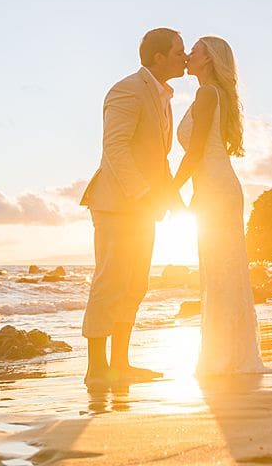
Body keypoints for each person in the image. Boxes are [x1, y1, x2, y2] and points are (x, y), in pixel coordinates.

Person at [80, 27, 187, 388]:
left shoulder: (163, 96)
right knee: (110, 280)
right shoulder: (127, 89)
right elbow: (115, 147)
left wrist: (169, 195)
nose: (184, 58)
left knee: (135, 283)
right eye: (178, 52)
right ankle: (96, 370)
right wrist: (142, 193)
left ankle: (121, 364)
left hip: (144, 206)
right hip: (116, 203)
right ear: (158, 57)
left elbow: (157, 156)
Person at [174, 35, 265, 375]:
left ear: (208, 59)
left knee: (221, 270)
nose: (186, 57)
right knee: (220, 269)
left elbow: (196, 150)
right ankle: (228, 355)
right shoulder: (214, 93)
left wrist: (170, 188)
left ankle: (227, 358)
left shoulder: (206, 93)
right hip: (216, 184)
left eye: (193, 52)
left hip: (214, 185)